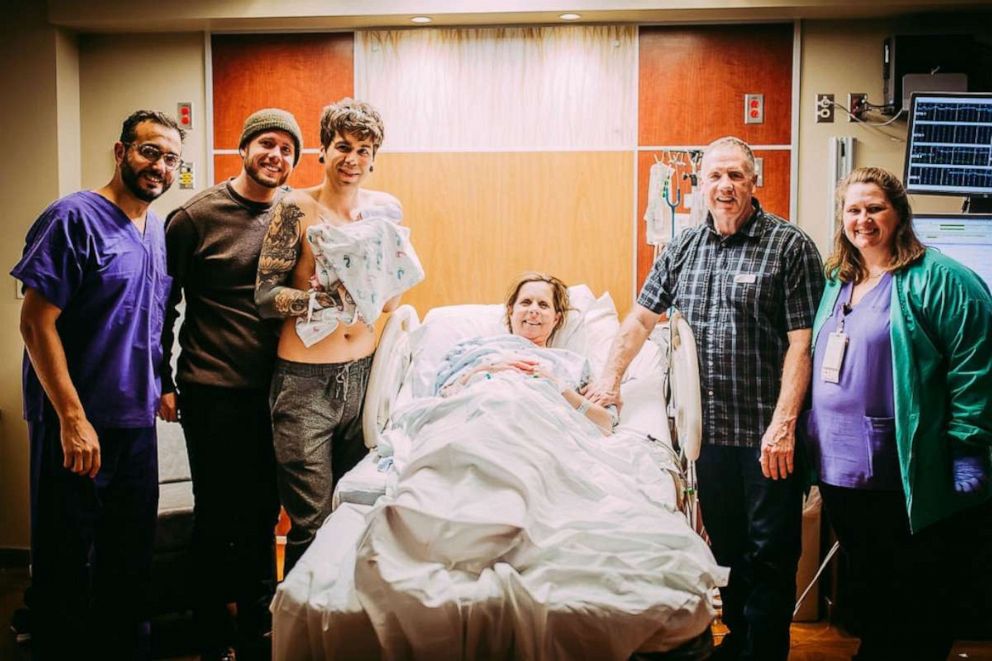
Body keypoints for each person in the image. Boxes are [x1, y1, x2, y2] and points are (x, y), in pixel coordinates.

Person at [587, 136, 824, 660]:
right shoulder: (683, 248)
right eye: (716, 176)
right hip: (709, 438)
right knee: (730, 549)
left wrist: (784, 425)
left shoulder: (790, 247)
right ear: (699, 184)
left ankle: (762, 651)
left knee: (771, 553)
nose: (726, 186)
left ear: (753, 180)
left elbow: (803, 344)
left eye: (737, 175)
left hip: (768, 437)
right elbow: (639, 321)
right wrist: (609, 380)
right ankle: (738, 642)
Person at [12, 110, 184, 659]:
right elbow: (35, 323)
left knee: (128, 555)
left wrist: (161, 382)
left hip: (133, 421)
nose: (159, 166)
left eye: (171, 158)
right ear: (121, 151)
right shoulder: (72, 218)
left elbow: (151, 316)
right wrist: (72, 417)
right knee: (67, 559)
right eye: (149, 151)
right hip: (76, 423)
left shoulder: (155, 227)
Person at [804, 167, 992, 660]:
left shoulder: (943, 280)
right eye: (853, 210)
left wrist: (967, 446)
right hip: (841, 468)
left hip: (905, 469)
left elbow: (974, 367)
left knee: (916, 592)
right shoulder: (838, 280)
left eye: (874, 208)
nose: (862, 220)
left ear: (899, 214)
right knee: (870, 583)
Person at [159, 108, 302, 660]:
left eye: (287, 149)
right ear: (243, 149)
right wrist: (163, 379)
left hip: (278, 389)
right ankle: (209, 631)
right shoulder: (195, 217)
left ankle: (256, 629)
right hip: (213, 388)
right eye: (266, 143)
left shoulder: (295, 216)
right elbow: (162, 306)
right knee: (217, 514)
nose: (276, 156)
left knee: (265, 512)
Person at [255, 98, 413, 574]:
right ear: (323, 150)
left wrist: (386, 274)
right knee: (311, 520)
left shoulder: (383, 212)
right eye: (343, 147)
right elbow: (264, 296)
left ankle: (343, 622)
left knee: (355, 507)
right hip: (304, 384)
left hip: (363, 378)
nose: (353, 160)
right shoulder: (294, 209)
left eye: (365, 151)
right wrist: (317, 300)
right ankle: (300, 633)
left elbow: (390, 302)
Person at [438, 272, 617, 434]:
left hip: (540, 429)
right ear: (510, 310)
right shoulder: (475, 351)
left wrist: (559, 387)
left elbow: (605, 424)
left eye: (543, 305)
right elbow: (442, 401)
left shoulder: (573, 365)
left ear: (556, 318)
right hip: (477, 421)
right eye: (525, 302)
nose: (533, 310)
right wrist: (486, 369)